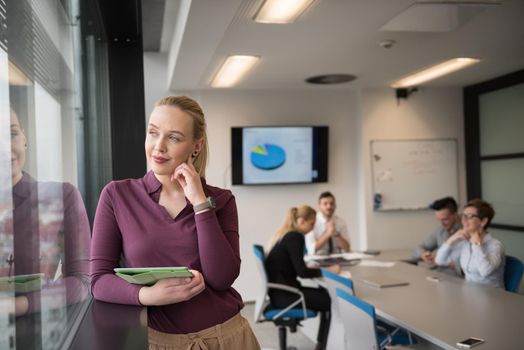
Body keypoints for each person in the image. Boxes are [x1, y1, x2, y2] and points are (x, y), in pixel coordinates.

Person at [89, 96, 259, 349]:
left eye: (174, 137)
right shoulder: (117, 195)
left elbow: (222, 278)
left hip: (228, 337)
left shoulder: (220, 200)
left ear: (196, 146)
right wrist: (147, 295)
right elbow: (98, 281)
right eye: (153, 133)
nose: (158, 147)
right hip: (157, 342)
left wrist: (200, 204)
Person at [2, 108, 91, 348]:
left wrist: (15, 305)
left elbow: (84, 282)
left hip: (44, 338)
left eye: (11, 134)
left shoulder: (62, 196)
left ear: (24, 139)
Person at [265, 205, 340, 350]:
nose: (312, 229)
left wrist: (316, 269)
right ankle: (323, 346)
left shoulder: (283, 234)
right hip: (288, 296)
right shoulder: (295, 237)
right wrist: (326, 270)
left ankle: (321, 344)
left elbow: (296, 267)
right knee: (331, 299)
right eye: (311, 224)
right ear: (301, 221)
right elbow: (302, 272)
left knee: (325, 295)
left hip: (280, 294)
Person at [435, 199, 505, 288]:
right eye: (464, 216)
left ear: (483, 221)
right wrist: (452, 238)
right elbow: (440, 261)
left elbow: (485, 271)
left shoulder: (495, 245)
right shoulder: (465, 243)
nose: (464, 220)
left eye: (470, 216)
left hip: (493, 297)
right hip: (470, 294)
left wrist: (476, 243)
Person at [411, 197, 462, 274]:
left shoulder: (467, 231)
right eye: (439, 219)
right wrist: (423, 254)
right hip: (441, 276)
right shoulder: (440, 231)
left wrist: (441, 262)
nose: (442, 223)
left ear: (455, 214)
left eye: (445, 219)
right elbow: (419, 248)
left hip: (459, 279)